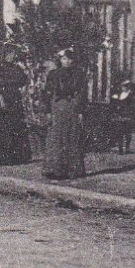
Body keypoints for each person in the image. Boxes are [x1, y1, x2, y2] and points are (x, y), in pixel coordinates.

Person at [42, 47, 86, 180]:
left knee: (72, 137)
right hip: (57, 106)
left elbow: (82, 93)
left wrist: (80, 111)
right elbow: (47, 93)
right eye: (64, 58)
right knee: (56, 137)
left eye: (69, 59)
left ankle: (72, 169)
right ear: (60, 60)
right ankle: (54, 169)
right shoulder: (53, 74)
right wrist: (47, 111)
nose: (67, 61)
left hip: (72, 106)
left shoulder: (79, 74)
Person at [0, 48, 32, 166]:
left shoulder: (17, 68)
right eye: (10, 54)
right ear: (5, 55)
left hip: (15, 100)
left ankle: (16, 157)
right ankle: (0, 157)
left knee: (15, 127)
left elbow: (24, 82)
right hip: (2, 100)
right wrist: (1, 100)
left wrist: (23, 95)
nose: (12, 56)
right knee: (1, 127)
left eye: (13, 54)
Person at [108, 76, 135, 154]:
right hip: (120, 115)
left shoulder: (130, 96)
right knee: (120, 133)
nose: (124, 88)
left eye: (126, 86)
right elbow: (114, 105)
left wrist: (133, 116)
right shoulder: (118, 95)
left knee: (128, 133)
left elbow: (133, 107)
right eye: (123, 86)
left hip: (128, 115)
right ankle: (120, 148)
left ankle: (127, 148)